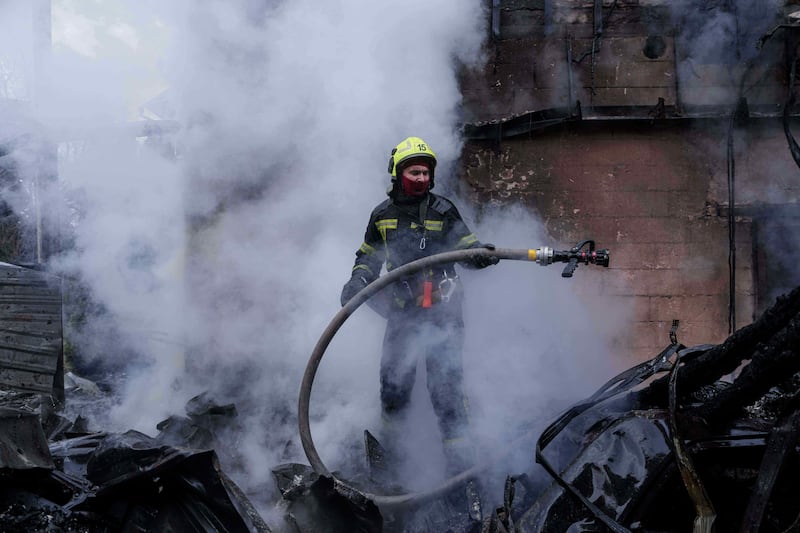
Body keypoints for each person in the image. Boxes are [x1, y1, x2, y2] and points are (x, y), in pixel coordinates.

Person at [340, 136, 498, 484]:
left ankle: (461, 473)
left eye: (426, 173)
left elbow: (468, 250)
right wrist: (357, 281)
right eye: (414, 172)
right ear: (397, 174)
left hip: (444, 316)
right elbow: (368, 257)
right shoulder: (382, 216)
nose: (422, 179)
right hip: (402, 318)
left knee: (447, 394)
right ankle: (393, 469)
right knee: (394, 392)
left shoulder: (443, 210)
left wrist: (482, 256)